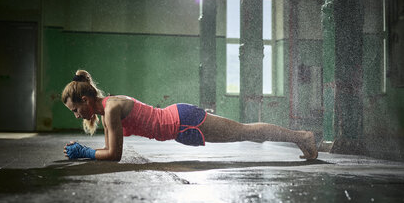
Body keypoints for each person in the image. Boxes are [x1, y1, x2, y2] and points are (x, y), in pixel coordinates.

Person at [62, 70, 318, 161]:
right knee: (245, 133)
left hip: (184, 120)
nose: (76, 115)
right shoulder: (107, 110)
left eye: (75, 110)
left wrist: (85, 152)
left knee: (246, 132)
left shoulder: (111, 108)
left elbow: (113, 155)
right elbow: (108, 150)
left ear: (85, 100)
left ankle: (302, 136)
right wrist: (87, 152)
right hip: (181, 128)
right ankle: (300, 137)